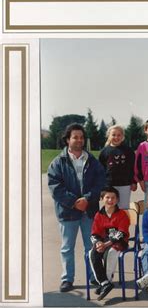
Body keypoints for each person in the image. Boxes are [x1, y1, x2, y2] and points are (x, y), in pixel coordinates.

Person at [48, 123, 105, 293]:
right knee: (67, 248)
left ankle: (95, 276)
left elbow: (100, 181)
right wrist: (74, 202)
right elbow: (55, 187)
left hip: (89, 210)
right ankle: (67, 279)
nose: (79, 140)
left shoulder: (92, 160)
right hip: (67, 212)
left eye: (81, 137)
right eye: (75, 137)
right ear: (67, 140)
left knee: (91, 246)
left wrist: (87, 199)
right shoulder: (58, 162)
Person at [89, 187, 130, 301]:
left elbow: (122, 233)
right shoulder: (98, 215)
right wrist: (98, 243)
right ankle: (104, 282)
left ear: (117, 200)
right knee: (92, 253)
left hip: (118, 242)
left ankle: (106, 282)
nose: (110, 200)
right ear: (102, 199)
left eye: (113, 198)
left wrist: (106, 244)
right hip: (103, 242)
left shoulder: (122, 214)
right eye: (107, 197)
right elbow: (94, 233)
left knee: (111, 253)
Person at [98, 125, 136, 209]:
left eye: (119, 135)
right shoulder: (104, 152)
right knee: (110, 208)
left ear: (123, 136)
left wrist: (134, 182)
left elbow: (133, 167)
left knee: (123, 208)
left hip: (125, 184)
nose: (116, 137)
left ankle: (123, 222)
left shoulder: (128, 151)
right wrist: (102, 186)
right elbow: (100, 170)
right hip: (109, 185)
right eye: (113, 135)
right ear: (109, 136)